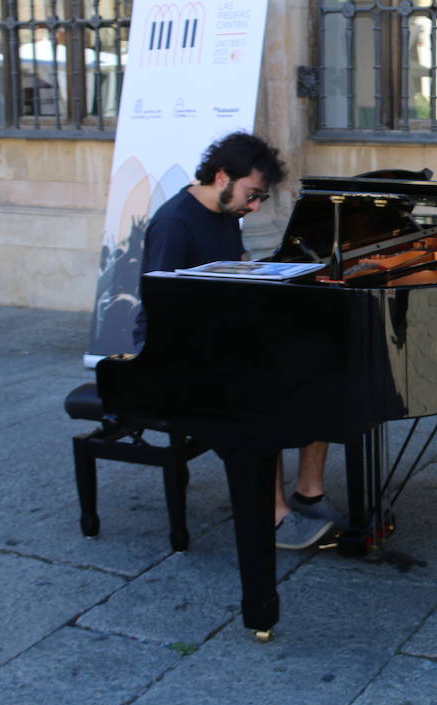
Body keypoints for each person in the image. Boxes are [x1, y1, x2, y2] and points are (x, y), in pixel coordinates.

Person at [137, 131, 341, 550]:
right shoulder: (175, 223)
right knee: (259, 388)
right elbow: (163, 307)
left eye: (260, 198)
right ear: (221, 176)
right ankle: (273, 516)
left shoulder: (225, 216)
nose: (253, 206)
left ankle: (309, 492)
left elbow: (233, 275)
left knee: (324, 365)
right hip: (173, 350)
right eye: (251, 194)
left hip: (219, 333)